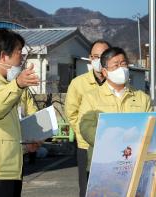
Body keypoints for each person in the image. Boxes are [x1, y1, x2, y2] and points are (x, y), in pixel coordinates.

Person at [0, 28, 40, 197]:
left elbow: (4, 129)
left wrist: (26, 145)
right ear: (4, 55)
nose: (21, 58)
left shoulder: (5, 84)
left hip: (10, 169)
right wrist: (17, 85)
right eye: (18, 52)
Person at [78, 47, 152, 171]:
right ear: (105, 72)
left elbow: (151, 126)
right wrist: (112, 142)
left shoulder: (142, 98)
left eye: (123, 64)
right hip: (103, 163)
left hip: (136, 162)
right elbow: (86, 127)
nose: (121, 69)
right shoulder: (91, 97)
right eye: (116, 65)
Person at [64, 40, 111, 197]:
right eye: (95, 56)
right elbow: (71, 114)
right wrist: (84, 135)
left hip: (114, 145)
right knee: (88, 189)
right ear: (90, 58)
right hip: (86, 146)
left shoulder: (116, 82)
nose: (98, 60)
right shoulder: (78, 84)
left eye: (103, 56)